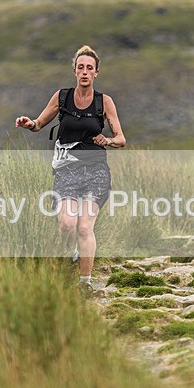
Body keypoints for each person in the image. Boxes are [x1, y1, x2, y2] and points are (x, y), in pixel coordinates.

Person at [15, 45, 126, 295]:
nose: (84, 72)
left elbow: (121, 139)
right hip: (66, 170)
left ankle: (84, 284)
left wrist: (107, 140)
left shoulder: (104, 102)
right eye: (80, 68)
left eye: (89, 68)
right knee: (66, 224)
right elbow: (39, 124)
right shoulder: (62, 97)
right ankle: (69, 255)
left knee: (85, 227)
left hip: (95, 171)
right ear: (75, 71)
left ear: (96, 72)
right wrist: (29, 123)